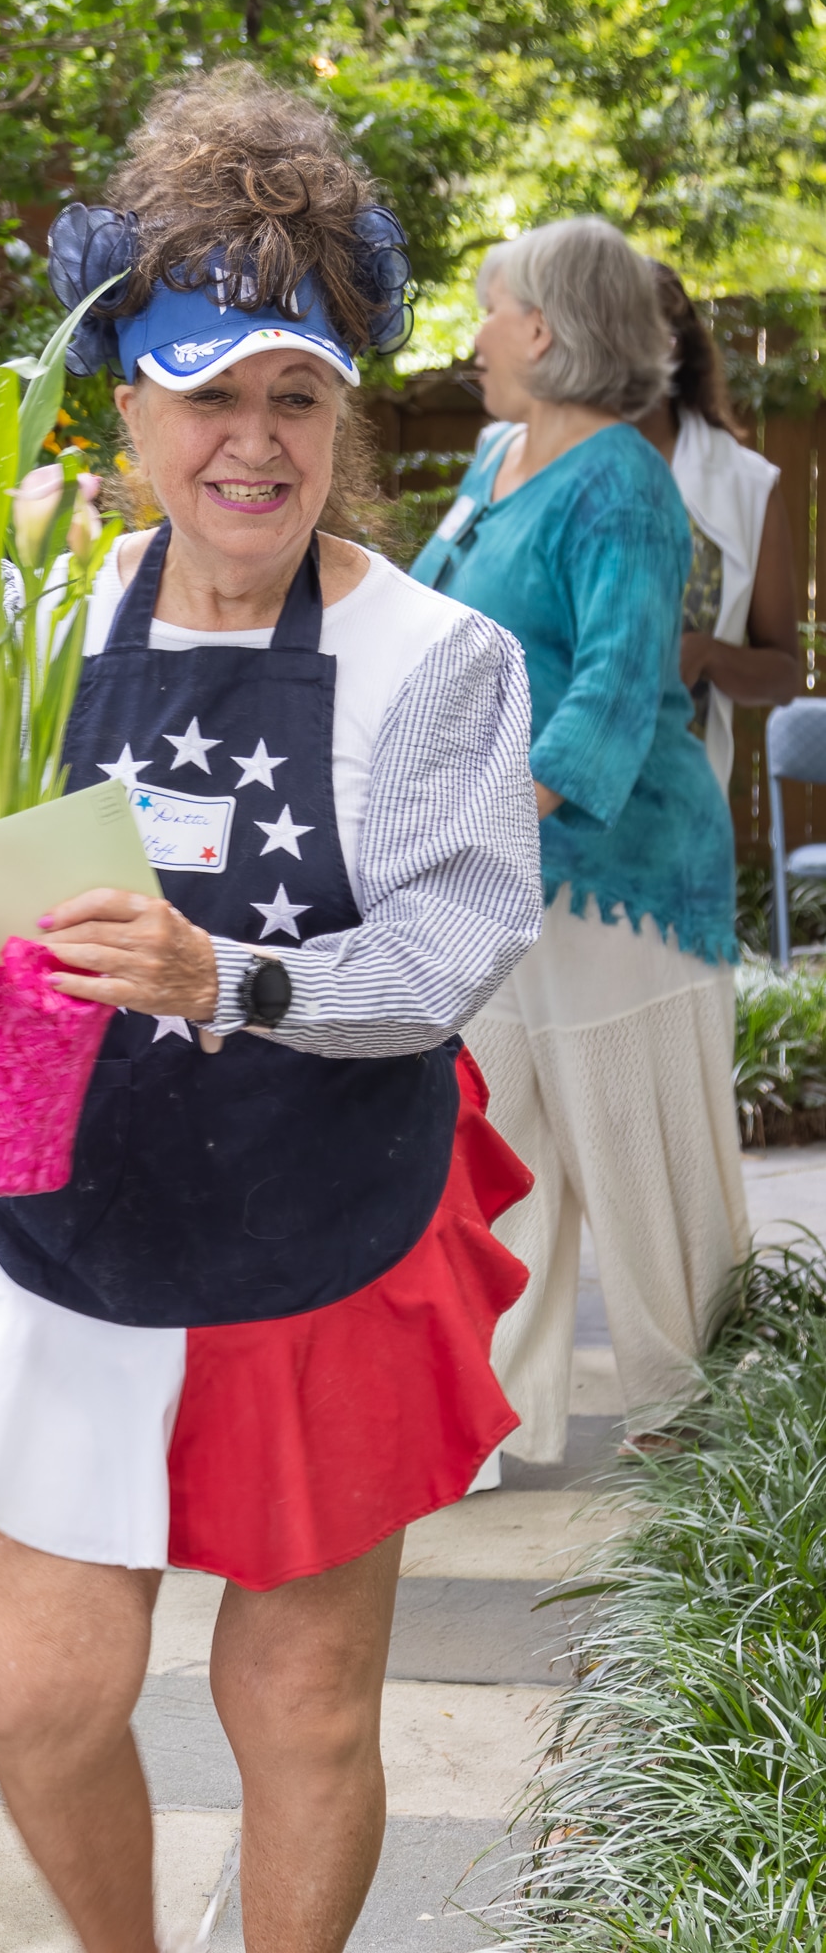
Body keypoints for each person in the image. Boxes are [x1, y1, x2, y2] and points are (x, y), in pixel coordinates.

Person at [0, 67, 542, 1953]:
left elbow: (452, 949)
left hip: (318, 1234)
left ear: (344, 411)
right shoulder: (20, 616)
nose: (251, 442)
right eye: (208, 394)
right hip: (70, 1223)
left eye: (293, 395)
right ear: (129, 403)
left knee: (299, 1706)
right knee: (39, 1690)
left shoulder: (431, 661)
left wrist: (221, 971)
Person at [412, 217, 752, 1469]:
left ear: (542, 330)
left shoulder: (623, 478)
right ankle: (484, 1419)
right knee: (496, 1147)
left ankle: (703, 1431)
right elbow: (422, 609)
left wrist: (482, 816)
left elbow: (614, 685)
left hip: (619, 875)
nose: (475, 334)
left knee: (639, 1141)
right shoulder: (499, 453)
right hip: (505, 871)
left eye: (488, 308)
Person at [638, 262, 799, 792]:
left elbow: (783, 674)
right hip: (543, 818)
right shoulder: (544, 466)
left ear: (670, 345)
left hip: (681, 815)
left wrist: (706, 654)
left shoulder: (747, 486)